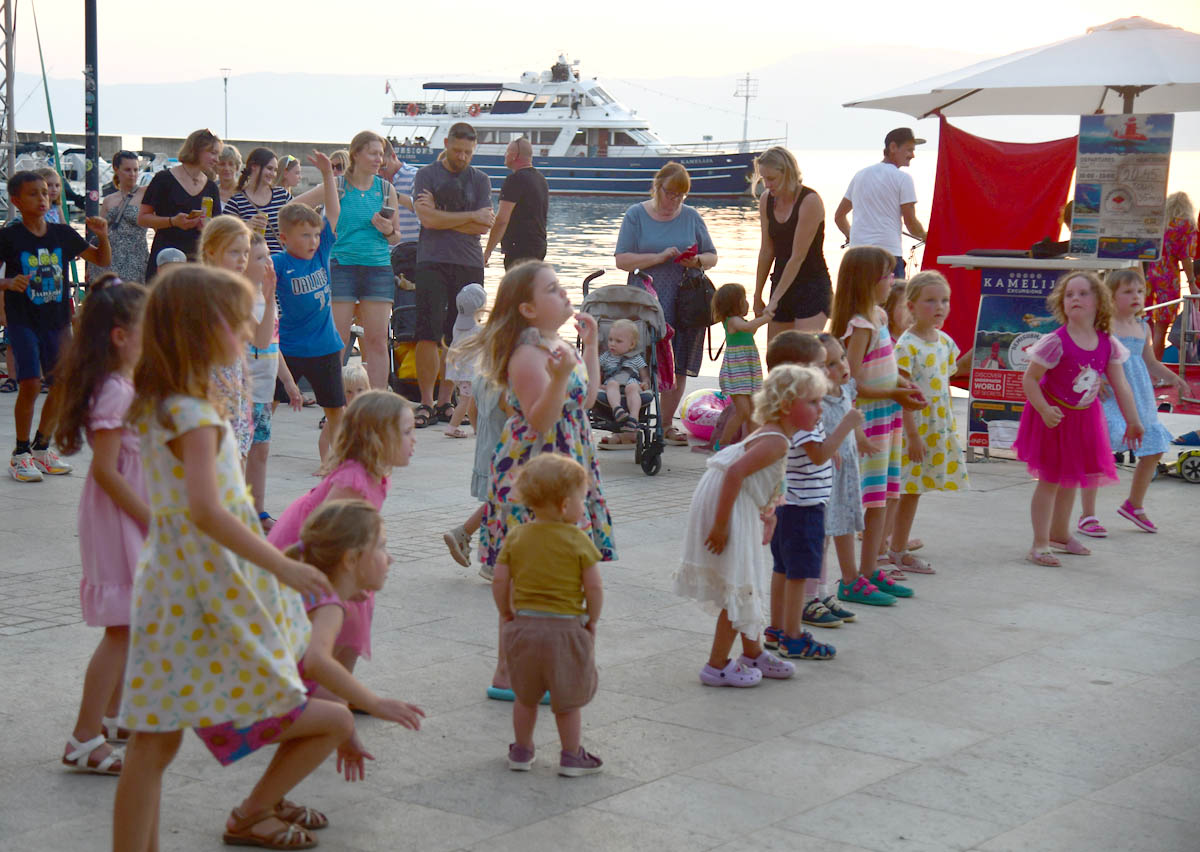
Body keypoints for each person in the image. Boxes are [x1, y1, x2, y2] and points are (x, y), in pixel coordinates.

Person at [112, 264, 344, 852]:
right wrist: (280, 565)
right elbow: (209, 511)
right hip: (199, 589)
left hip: (170, 581)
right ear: (205, 328)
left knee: (152, 744)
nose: (250, 333)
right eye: (241, 323)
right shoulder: (195, 415)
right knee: (155, 743)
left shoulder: (162, 403)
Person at [461, 262, 615, 698]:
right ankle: (506, 671)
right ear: (528, 308)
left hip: (567, 463)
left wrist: (589, 349)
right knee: (528, 568)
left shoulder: (555, 342)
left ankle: (535, 666)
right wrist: (562, 373)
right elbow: (540, 419)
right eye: (552, 289)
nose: (564, 293)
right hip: (535, 471)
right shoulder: (528, 354)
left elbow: (583, 401)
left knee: (558, 564)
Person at [675, 365, 829, 687]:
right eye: (813, 402)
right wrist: (720, 526)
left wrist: (769, 513)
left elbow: (768, 479)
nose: (820, 409)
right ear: (788, 406)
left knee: (747, 581)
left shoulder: (775, 433)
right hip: (729, 503)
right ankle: (716, 666)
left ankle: (753, 652)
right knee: (739, 583)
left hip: (733, 499)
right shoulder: (777, 442)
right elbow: (735, 473)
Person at [52, 276, 150, 776]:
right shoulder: (116, 392)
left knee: (126, 625)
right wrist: (150, 519)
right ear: (119, 335)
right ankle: (84, 736)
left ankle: (111, 716)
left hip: (123, 515)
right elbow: (107, 472)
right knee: (120, 628)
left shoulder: (122, 385)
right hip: (118, 520)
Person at [269, 391, 416, 684]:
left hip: (335, 551)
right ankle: (329, 688)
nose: (415, 440)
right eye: (407, 432)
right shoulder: (354, 479)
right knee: (348, 612)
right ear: (378, 438)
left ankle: (335, 687)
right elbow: (326, 530)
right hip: (309, 551)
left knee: (356, 608)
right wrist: (342, 578)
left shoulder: (373, 474)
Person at [287, 500, 425, 784]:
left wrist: (347, 736)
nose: (391, 558)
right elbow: (316, 661)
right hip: (238, 710)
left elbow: (322, 684)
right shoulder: (329, 606)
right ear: (350, 560)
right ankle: (255, 811)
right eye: (382, 547)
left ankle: (265, 806)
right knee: (340, 717)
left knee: (335, 703)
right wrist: (374, 703)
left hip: (233, 700)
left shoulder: (316, 592)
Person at [1014, 272, 1143, 567]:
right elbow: (1030, 380)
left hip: (1084, 420)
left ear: (1099, 301)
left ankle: (1060, 534)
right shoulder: (1055, 342)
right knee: (1049, 480)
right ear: (1062, 303)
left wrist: (1133, 420)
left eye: (1083, 293)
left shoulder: (1106, 342)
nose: (1075, 299)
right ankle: (1039, 543)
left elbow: (1120, 384)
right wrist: (1045, 409)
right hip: (1052, 418)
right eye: (1069, 294)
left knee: (1071, 479)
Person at [492, 453, 605, 776]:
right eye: (582, 499)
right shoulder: (579, 540)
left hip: (524, 626)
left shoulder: (517, 536)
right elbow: (594, 588)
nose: (584, 506)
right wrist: (591, 619)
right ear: (565, 505)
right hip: (566, 630)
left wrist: (506, 613)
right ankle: (571, 755)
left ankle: (522, 751)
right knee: (567, 700)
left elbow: (500, 580)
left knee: (525, 697)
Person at [1, 171, 111, 483]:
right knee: (31, 383)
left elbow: (101, 259)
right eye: (33, 193)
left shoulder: (62, 233)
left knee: (62, 383)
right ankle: (20, 453)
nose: (42, 197)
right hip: (23, 319)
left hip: (58, 320)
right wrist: (7, 283)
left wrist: (102, 235)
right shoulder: (10, 237)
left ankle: (41, 447)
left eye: (46, 192)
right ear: (16, 201)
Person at [829, 246, 925, 603]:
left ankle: (871, 570)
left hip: (888, 419)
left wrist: (902, 384)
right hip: (868, 422)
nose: (894, 281)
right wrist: (894, 393)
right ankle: (853, 578)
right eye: (888, 275)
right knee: (868, 497)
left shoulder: (880, 317)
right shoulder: (860, 325)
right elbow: (848, 382)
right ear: (871, 281)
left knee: (884, 495)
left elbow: (883, 367)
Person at [762, 332, 862, 639]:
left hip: (795, 504)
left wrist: (828, 453)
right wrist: (845, 425)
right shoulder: (802, 413)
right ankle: (793, 635)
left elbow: (814, 451)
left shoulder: (794, 410)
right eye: (820, 365)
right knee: (796, 573)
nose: (826, 372)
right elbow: (817, 453)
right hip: (801, 507)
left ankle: (777, 630)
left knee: (784, 570)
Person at [1078, 268, 1187, 535]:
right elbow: (1084, 351)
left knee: (1154, 446)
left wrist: (1175, 378)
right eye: (1127, 292)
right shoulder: (1102, 324)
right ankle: (1087, 514)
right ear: (1110, 297)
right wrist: (1096, 376)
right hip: (1109, 398)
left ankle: (1134, 504)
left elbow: (1149, 361)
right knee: (1098, 450)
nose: (1136, 296)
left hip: (1139, 397)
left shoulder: (1142, 326)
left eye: (1139, 291)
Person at [615, 162, 717, 446]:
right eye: (670, 193)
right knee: (638, 360)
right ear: (657, 186)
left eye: (680, 196)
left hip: (684, 297)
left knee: (680, 361)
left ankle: (666, 422)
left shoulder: (691, 217)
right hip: (646, 296)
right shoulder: (636, 214)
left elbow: (712, 256)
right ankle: (630, 424)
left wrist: (696, 261)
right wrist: (658, 257)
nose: (674, 201)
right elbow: (622, 259)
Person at [412, 122, 493, 428]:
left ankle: (447, 400)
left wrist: (442, 219)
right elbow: (427, 219)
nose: (462, 157)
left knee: (460, 334)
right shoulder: (426, 175)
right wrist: (469, 216)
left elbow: (484, 226)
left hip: (468, 262)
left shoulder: (481, 179)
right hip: (432, 260)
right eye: (457, 150)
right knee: (427, 331)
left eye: (468, 152)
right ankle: (425, 401)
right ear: (445, 143)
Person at [891, 271, 972, 574]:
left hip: (936, 425)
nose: (940, 306)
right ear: (911, 307)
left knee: (915, 489)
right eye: (930, 301)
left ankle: (896, 546)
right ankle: (896, 548)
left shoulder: (944, 342)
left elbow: (947, 373)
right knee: (906, 489)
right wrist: (912, 436)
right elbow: (903, 393)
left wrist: (982, 347)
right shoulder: (906, 347)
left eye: (944, 300)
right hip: (915, 429)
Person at [273, 156, 345, 461]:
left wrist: (328, 175)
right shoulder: (277, 263)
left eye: (315, 235)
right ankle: (247, 449)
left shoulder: (321, 253)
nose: (313, 241)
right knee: (267, 404)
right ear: (284, 238)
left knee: (335, 410)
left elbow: (333, 211)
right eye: (305, 235)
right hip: (289, 346)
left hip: (326, 345)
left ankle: (336, 461)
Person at [330, 131, 401, 391]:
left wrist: (386, 229)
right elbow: (300, 206)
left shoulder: (386, 189)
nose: (378, 159)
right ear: (356, 154)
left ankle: (377, 402)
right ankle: (335, 403)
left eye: (381, 154)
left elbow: (395, 238)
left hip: (378, 267)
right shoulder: (337, 186)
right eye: (372, 153)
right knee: (338, 338)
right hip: (342, 266)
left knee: (377, 340)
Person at [814, 332, 879, 612]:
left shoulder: (844, 391)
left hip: (845, 474)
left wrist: (860, 437)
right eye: (830, 364)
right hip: (826, 478)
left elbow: (849, 417)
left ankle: (837, 585)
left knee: (843, 526)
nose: (841, 366)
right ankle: (814, 594)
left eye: (841, 358)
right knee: (822, 535)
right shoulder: (815, 402)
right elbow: (815, 436)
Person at [243, 231, 302, 530]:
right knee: (239, 452)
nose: (269, 261)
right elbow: (259, 337)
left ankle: (258, 510)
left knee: (261, 450)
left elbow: (273, 344)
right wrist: (267, 298)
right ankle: (237, 510)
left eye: (268, 254)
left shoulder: (265, 297)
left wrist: (289, 382)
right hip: (241, 391)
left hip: (264, 390)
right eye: (260, 257)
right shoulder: (240, 298)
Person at [752, 147, 832, 337]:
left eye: (771, 179)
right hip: (780, 279)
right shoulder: (766, 200)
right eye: (763, 179)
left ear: (787, 173)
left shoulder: (810, 201)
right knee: (776, 357)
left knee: (803, 355)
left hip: (812, 284)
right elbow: (766, 251)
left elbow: (797, 257)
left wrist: (774, 300)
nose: (767, 184)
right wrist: (758, 295)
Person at [834, 128, 928, 279]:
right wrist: (927, 237)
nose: (913, 155)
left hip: (856, 257)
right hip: (887, 256)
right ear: (893, 147)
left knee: (860, 303)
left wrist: (851, 236)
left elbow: (839, 216)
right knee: (891, 303)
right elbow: (911, 224)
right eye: (909, 150)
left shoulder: (860, 175)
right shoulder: (903, 179)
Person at [443, 371, 509, 574]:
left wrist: (480, 434)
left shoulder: (482, 378)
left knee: (500, 502)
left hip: (486, 450)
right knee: (507, 506)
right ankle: (493, 561)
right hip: (506, 452)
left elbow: (472, 409)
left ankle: (463, 533)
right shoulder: (511, 383)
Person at [138, 128, 223, 279]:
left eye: (218, 154)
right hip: (166, 257)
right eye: (213, 153)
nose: (217, 159)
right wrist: (173, 221)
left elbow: (216, 228)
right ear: (196, 150)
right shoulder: (164, 179)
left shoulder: (211, 187)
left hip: (197, 259)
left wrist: (206, 226)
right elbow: (143, 218)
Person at [713, 282, 772, 449]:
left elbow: (750, 329)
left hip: (747, 369)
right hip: (737, 372)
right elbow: (748, 327)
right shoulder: (732, 321)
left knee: (753, 412)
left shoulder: (740, 321)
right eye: (744, 299)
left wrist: (759, 317)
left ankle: (755, 444)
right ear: (734, 304)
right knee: (743, 411)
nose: (747, 303)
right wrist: (766, 318)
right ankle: (722, 443)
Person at [1144, 191, 1198, 360]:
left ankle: (1143, 369)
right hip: (1168, 279)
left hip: (1146, 275)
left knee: (1144, 325)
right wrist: (1191, 282)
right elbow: (1185, 256)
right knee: (1161, 328)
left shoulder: (1158, 222)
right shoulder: (1185, 225)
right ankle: (1156, 373)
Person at [483, 137, 549, 269]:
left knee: (517, 288)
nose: (505, 156)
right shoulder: (541, 179)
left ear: (514, 156)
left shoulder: (514, 180)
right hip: (538, 246)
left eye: (507, 152)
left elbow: (502, 219)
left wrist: (487, 252)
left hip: (519, 248)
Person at [88, 150, 149, 284]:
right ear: (116, 169)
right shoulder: (109, 200)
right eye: (127, 170)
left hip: (135, 259)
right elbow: (100, 232)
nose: (132, 174)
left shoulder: (146, 194)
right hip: (109, 259)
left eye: (136, 170)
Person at [223, 147, 295, 254]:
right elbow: (223, 236)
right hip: (252, 262)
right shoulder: (237, 201)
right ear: (254, 167)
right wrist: (246, 227)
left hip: (280, 263)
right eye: (269, 168)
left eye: (275, 170)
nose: (273, 174)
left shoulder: (282, 195)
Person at [444, 282, 487, 439]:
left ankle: (475, 428)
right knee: (466, 401)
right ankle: (452, 427)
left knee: (470, 401)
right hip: (469, 372)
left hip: (457, 369)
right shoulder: (478, 329)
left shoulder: (458, 325)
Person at [597, 318, 651, 438]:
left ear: (631, 344)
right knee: (612, 384)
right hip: (612, 383)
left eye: (618, 341)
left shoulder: (636, 358)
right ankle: (618, 410)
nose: (612, 343)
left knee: (632, 388)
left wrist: (645, 383)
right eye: (610, 339)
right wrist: (597, 384)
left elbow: (644, 375)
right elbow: (595, 369)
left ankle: (633, 418)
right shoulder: (606, 356)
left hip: (632, 382)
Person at [379, 140, 420, 245]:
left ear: (393, 156)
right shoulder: (378, 181)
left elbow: (420, 208)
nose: (380, 172)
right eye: (377, 168)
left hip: (411, 251)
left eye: (383, 166)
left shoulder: (415, 176)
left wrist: (393, 195)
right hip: (387, 251)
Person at [216, 143, 243, 208]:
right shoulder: (211, 192)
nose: (227, 168)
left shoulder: (244, 192)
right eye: (222, 164)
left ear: (237, 167)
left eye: (231, 164)